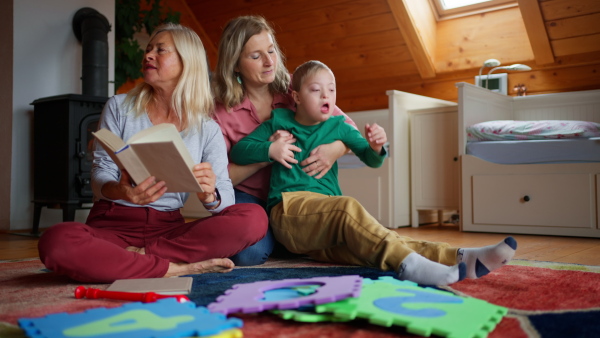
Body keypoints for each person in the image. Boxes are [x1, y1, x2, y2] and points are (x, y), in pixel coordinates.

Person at [230, 60, 517, 286]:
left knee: (377, 240)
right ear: (297, 97)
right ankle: (411, 266)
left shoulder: (341, 125)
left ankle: (460, 257)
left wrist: (378, 146)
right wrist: (270, 149)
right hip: (289, 212)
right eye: (316, 90)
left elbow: (372, 159)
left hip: (323, 228)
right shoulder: (279, 121)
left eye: (331, 89)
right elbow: (240, 150)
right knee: (347, 209)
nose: (326, 95)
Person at [37, 23, 268, 283]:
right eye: (148, 49)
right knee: (55, 241)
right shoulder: (119, 106)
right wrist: (121, 190)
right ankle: (175, 269)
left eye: (160, 50)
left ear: (186, 62)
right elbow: (100, 175)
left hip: (168, 230)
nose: (148, 55)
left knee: (254, 217)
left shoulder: (207, 128)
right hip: (112, 224)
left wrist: (210, 195)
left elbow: (225, 199)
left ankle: (135, 259)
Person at [211, 15, 356, 266]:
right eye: (255, 56)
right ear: (235, 64)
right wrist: (267, 152)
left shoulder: (295, 86)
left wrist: (335, 149)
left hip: (298, 192)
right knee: (249, 255)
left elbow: (349, 129)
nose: (269, 62)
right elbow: (221, 180)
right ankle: (277, 235)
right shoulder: (220, 112)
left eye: (271, 51)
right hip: (251, 196)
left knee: (326, 235)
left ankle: (283, 235)